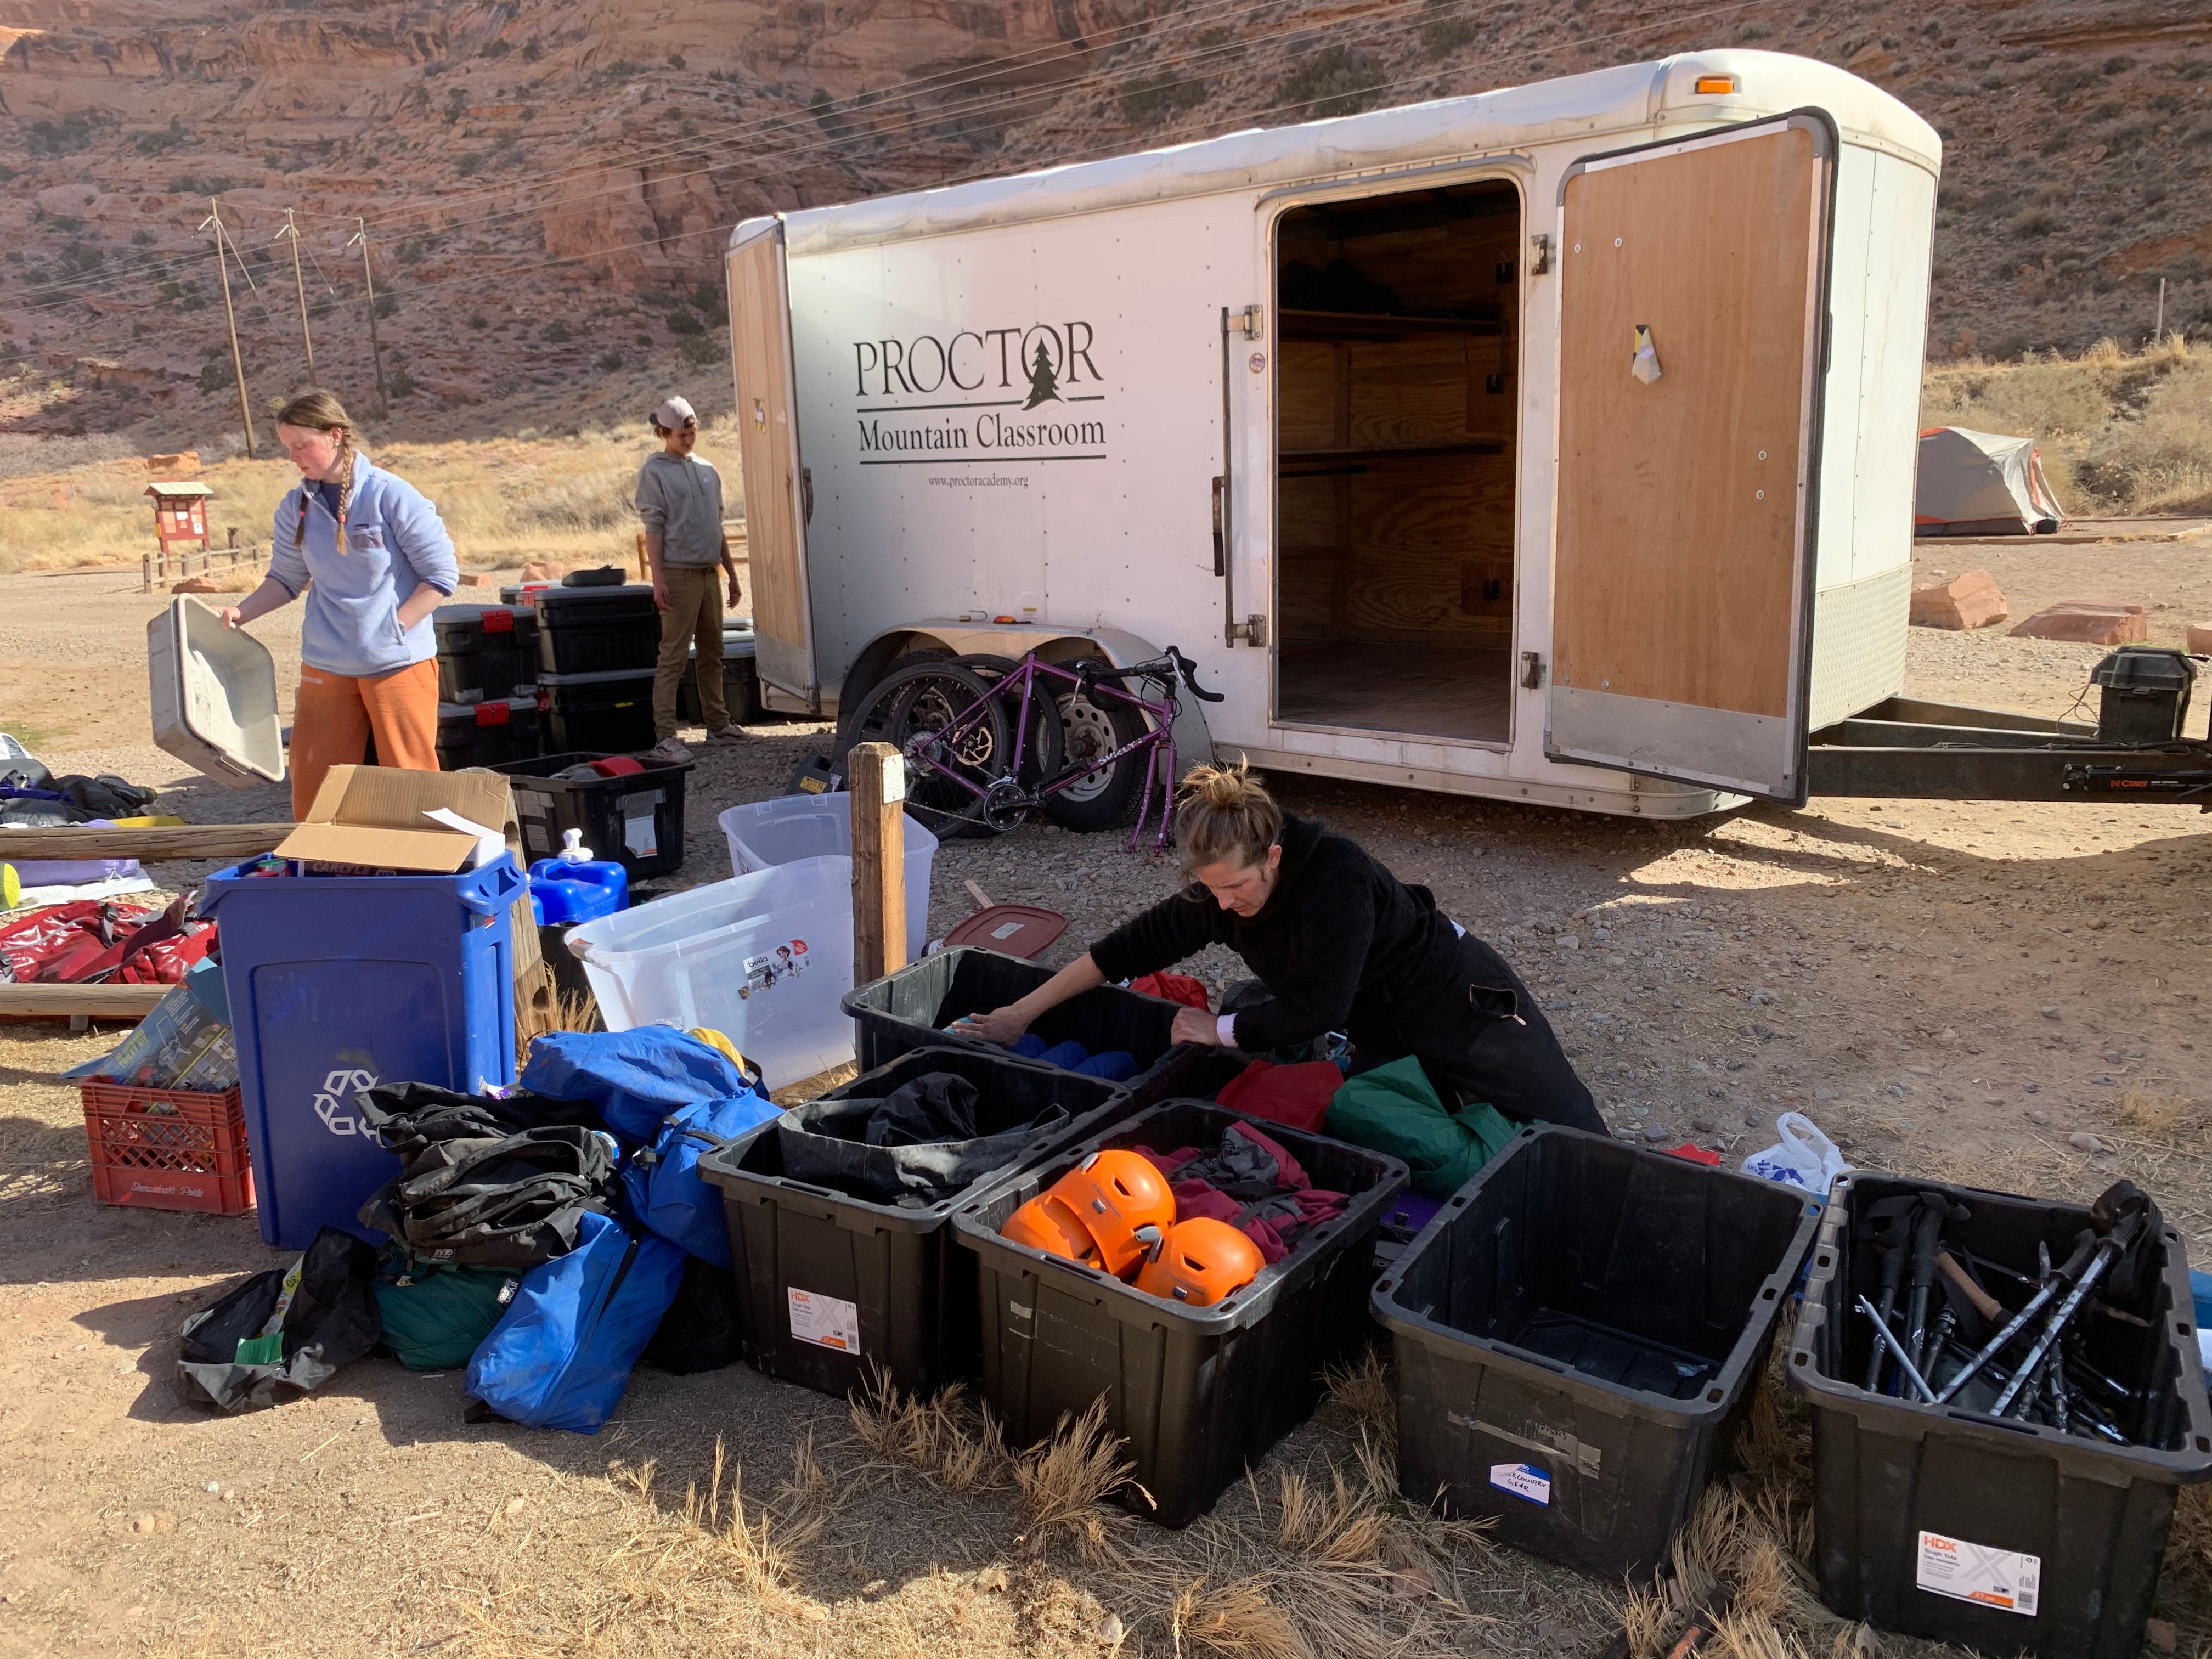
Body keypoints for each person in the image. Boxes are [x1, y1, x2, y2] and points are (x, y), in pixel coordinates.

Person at [954, 763, 1602, 1132]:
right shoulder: (1220, 893)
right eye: (1212, 893)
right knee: (1409, 1140)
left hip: (1460, 1004)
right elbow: (1119, 953)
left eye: (1236, 888)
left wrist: (1220, 1027)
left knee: (1568, 1130)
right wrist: (1022, 1013)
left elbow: (1320, 1005)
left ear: (1273, 856)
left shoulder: (1337, 878)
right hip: (1384, 1030)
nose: (1226, 906)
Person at [218, 389, 458, 819]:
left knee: (411, 780)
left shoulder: (391, 495)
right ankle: (322, 868)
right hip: (326, 662)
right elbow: (286, 579)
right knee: (315, 781)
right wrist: (241, 612)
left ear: (335, 436)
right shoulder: (296, 507)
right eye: (287, 448)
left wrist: (395, 628)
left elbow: (440, 577)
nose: (294, 457)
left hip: (397, 664)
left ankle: (423, 871)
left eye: (300, 445)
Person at [634, 395, 744, 765]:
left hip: (707, 572)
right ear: (663, 433)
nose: (687, 438)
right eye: (680, 434)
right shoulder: (655, 471)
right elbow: (654, 527)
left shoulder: (707, 470)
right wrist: (658, 579)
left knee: (713, 653)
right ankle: (666, 736)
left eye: (691, 432)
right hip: (679, 573)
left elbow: (717, 525)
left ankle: (718, 725)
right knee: (674, 657)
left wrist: (730, 573)